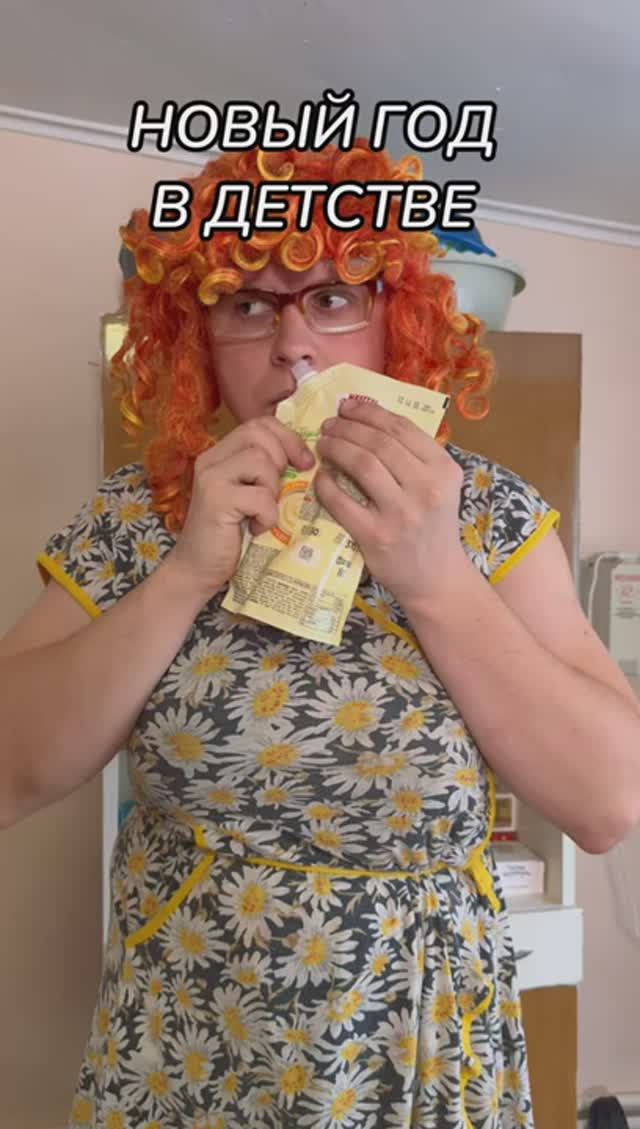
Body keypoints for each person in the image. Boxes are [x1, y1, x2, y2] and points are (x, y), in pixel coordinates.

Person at [2, 140, 640, 1129]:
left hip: (421, 1054)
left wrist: (435, 577)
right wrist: (186, 572)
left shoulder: (485, 514)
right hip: (191, 1051)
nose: (293, 347)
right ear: (198, 335)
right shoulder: (139, 517)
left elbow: (608, 802)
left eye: (335, 296)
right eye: (246, 305)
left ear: (397, 321)